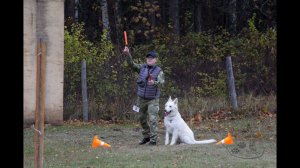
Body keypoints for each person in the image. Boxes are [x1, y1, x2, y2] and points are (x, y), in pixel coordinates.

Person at [123, 46, 165, 145]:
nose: (149, 60)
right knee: (141, 118)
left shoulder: (159, 71)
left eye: (152, 58)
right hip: (141, 99)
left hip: (153, 99)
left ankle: (153, 140)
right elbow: (131, 64)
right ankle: (146, 136)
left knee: (152, 119)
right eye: (148, 58)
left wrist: (154, 82)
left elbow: (162, 83)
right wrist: (127, 54)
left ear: (156, 60)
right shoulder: (142, 67)